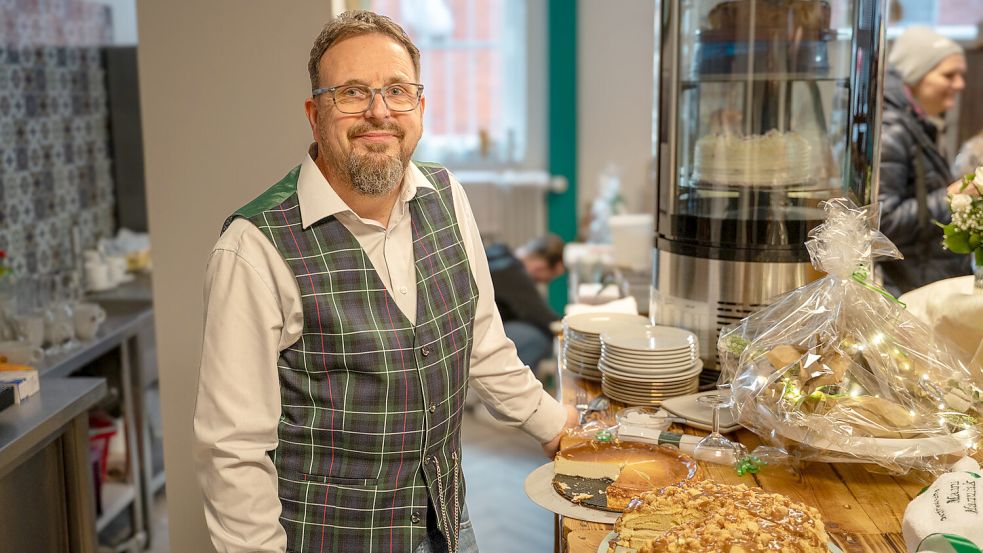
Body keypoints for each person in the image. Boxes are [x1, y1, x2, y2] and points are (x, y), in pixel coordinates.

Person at [193, 11, 577, 553]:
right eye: (352, 92)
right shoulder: (254, 247)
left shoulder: (447, 197)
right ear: (314, 113)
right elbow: (232, 450)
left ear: (419, 106)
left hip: (446, 522)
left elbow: (482, 344)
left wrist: (557, 427)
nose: (379, 112)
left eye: (397, 91)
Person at [877, 26, 975, 295]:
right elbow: (883, 226)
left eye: (961, 75)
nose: (959, 84)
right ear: (916, 76)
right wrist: (953, 196)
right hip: (907, 291)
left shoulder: (918, 125)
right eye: (948, 75)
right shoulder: (892, 131)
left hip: (922, 283)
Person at [485, 234, 565, 371]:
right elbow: (547, 320)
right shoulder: (514, 274)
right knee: (539, 338)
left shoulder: (500, 252)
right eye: (548, 278)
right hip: (481, 336)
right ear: (540, 266)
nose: (545, 282)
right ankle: (513, 387)